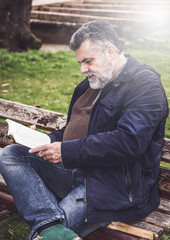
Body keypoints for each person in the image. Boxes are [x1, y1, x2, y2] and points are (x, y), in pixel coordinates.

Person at [0, 20, 169, 240]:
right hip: (73, 171)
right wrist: (41, 139)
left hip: (113, 187)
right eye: (80, 62)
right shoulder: (89, 84)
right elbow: (71, 132)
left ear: (110, 52)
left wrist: (66, 151)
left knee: (46, 237)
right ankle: (49, 224)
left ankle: (47, 227)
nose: (82, 69)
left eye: (88, 61)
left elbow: (129, 141)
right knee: (12, 155)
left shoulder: (145, 85)